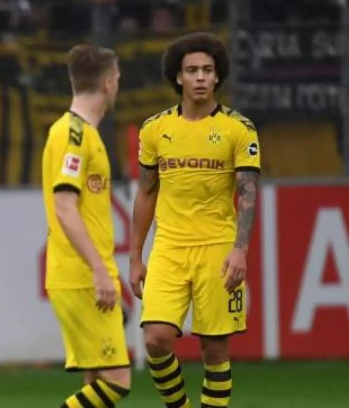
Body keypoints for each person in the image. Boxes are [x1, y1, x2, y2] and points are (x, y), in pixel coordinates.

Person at [130, 32, 260, 408]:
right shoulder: (155, 129)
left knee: (214, 348)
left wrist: (240, 249)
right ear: (178, 78)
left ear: (218, 77)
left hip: (218, 248)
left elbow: (248, 192)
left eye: (207, 70)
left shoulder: (240, 129)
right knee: (155, 338)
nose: (200, 77)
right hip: (169, 248)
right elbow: (147, 191)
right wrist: (136, 257)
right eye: (192, 70)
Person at [42, 44, 131, 408]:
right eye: (119, 79)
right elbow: (65, 208)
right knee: (117, 382)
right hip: (81, 274)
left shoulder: (80, 133)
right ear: (109, 83)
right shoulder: (75, 136)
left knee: (95, 378)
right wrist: (98, 269)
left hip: (82, 271)